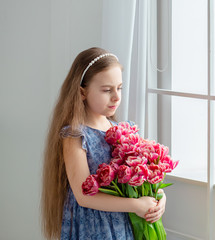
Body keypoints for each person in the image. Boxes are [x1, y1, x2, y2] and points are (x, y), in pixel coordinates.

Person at [41, 47, 166, 239]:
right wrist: (136, 205)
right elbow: (83, 196)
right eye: (107, 90)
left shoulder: (125, 131)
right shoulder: (76, 136)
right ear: (82, 92)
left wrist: (159, 199)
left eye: (120, 87)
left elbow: (145, 177)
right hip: (93, 228)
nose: (116, 96)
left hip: (125, 225)